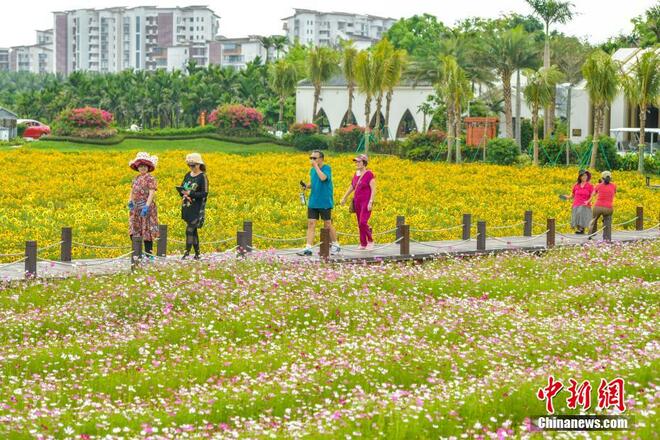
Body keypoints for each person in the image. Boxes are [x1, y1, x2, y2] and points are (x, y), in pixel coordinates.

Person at [300, 150, 340, 256]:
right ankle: (308, 248)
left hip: (325, 201)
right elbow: (315, 182)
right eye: (311, 158)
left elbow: (323, 178)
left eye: (314, 158)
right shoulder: (312, 170)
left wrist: (316, 167)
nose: (312, 160)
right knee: (311, 223)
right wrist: (307, 186)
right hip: (313, 201)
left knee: (327, 224)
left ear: (321, 159)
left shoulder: (327, 168)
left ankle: (336, 245)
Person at [340, 154, 376, 250]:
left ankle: (371, 240)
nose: (356, 163)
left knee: (362, 222)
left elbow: (373, 189)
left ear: (364, 163)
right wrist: (344, 197)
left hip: (366, 201)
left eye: (359, 161)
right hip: (357, 201)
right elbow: (352, 186)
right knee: (359, 223)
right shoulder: (356, 174)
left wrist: (371, 202)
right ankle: (363, 243)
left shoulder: (369, 174)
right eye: (356, 162)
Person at [128, 152, 159, 258]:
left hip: (146, 208)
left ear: (148, 167)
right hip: (136, 208)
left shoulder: (150, 178)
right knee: (134, 229)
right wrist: (130, 201)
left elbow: (151, 193)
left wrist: (146, 206)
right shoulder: (136, 178)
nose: (142, 168)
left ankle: (149, 255)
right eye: (140, 166)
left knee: (147, 231)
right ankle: (137, 253)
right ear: (138, 167)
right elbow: (132, 191)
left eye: (144, 166)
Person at [178, 153, 209, 259]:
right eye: (190, 165)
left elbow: (204, 193)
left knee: (189, 230)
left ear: (199, 164)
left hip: (197, 208)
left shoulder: (202, 177)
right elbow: (182, 188)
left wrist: (190, 194)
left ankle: (186, 253)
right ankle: (197, 254)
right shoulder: (187, 175)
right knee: (193, 231)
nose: (191, 167)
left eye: (193, 165)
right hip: (187, 206)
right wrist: (182, 192)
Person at [588, 171, 616, 239]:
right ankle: (607, 238)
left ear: (602, 178)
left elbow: (593, 194)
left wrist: (588, 201)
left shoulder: (598, 185)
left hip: (598, 206)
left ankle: (591, 234)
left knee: (594, 220)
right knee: (607, 221)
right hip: (608, 208)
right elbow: (614, 193)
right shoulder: (614, 185)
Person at [569, 169, 593, 234]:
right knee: (576, 214)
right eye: (583, 176)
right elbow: (572, 195)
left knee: (581, 211)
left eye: (586, 176)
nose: (585, 177)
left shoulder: (590, 185)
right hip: (576, 203)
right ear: (580, 177)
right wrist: (567, 197)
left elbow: (592, 196)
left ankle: (582, 229)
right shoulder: (576, 185)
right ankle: (579, 229)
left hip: (585, 204)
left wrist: (588, 201)